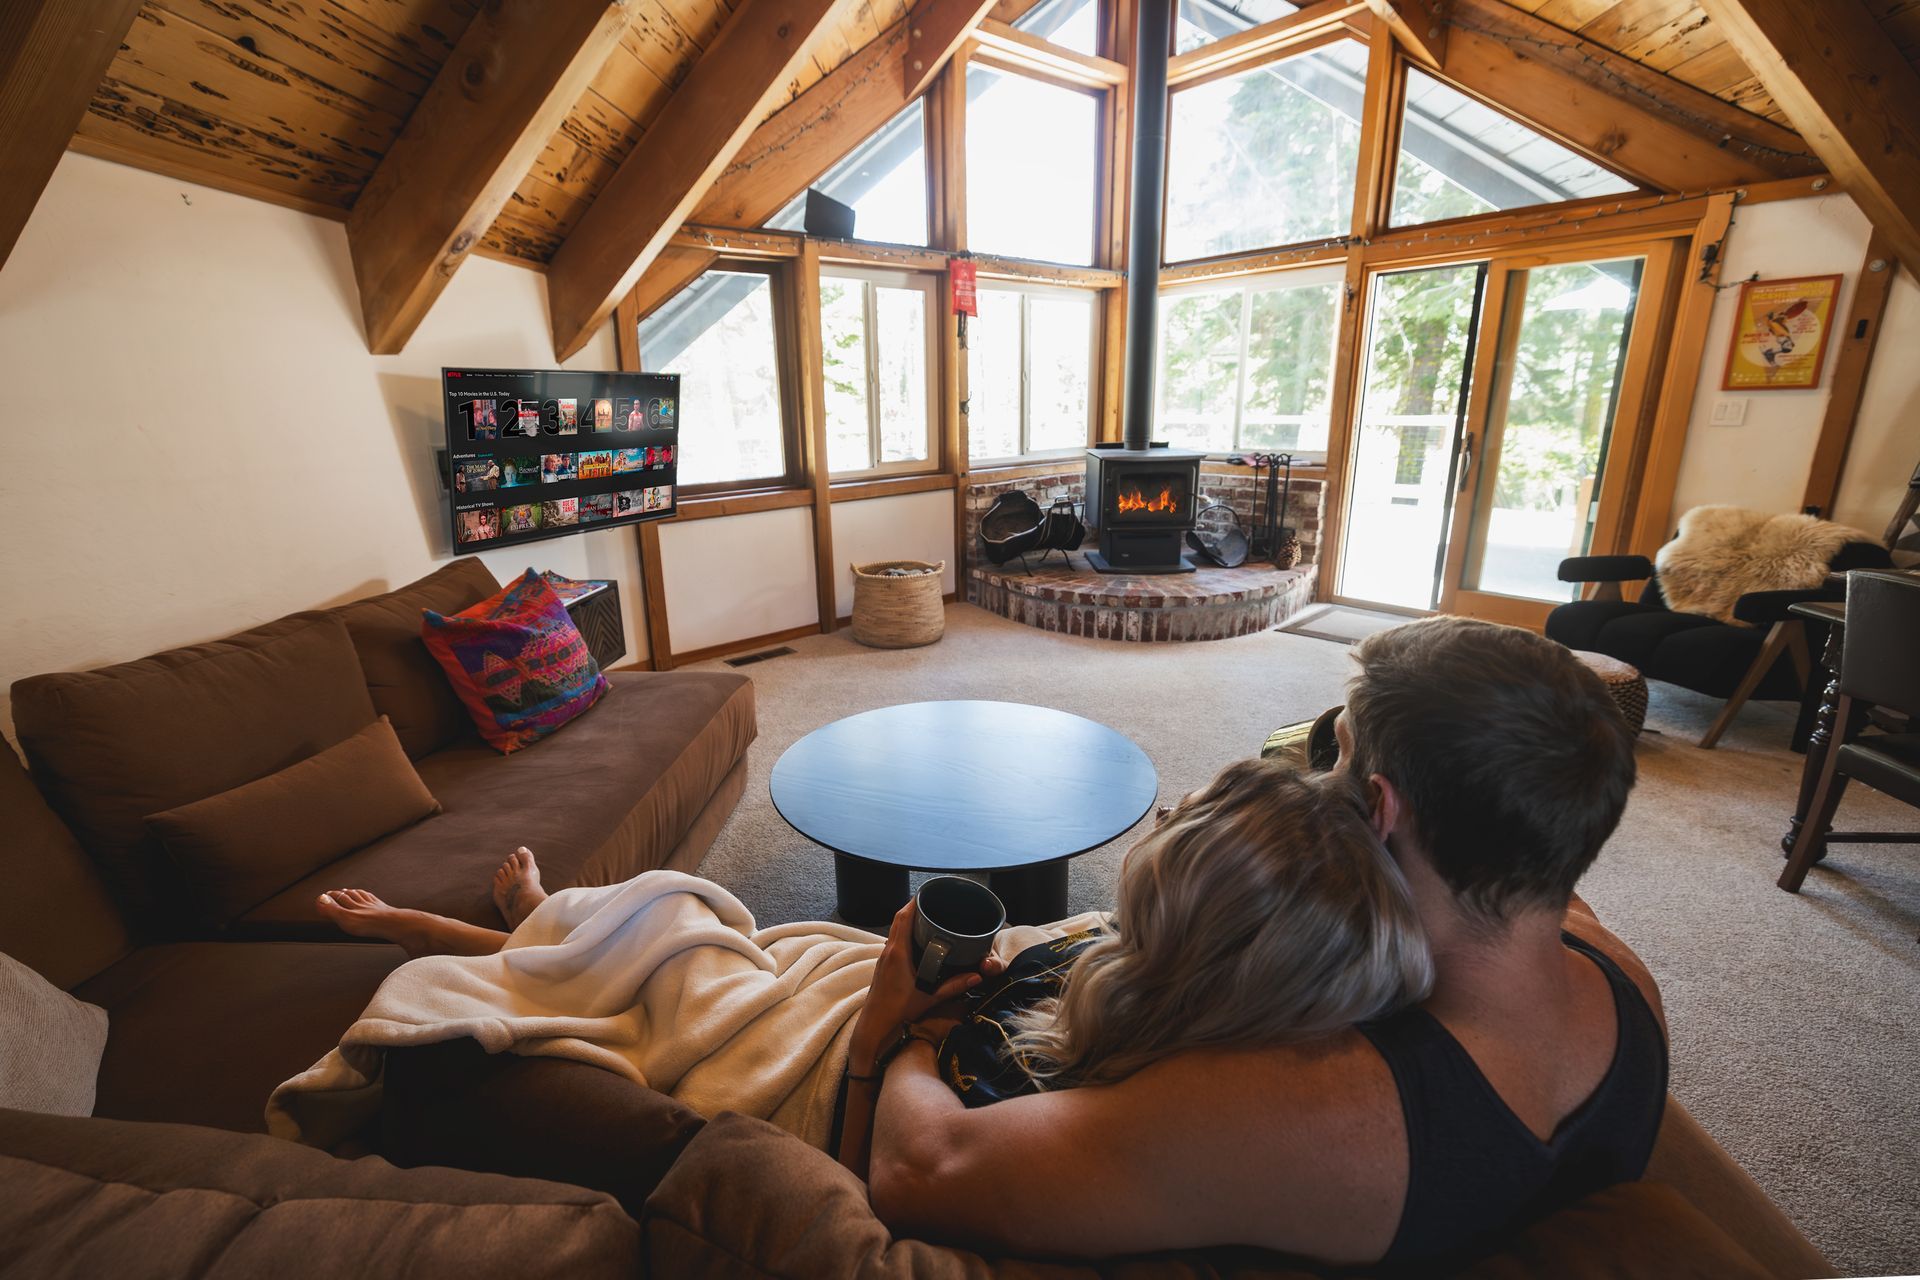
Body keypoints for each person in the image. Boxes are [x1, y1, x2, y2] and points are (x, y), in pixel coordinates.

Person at [318, 616, 1659, 1266]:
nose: (1307, 771)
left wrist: (905, 1017)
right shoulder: (1614, 978)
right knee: (715, 928)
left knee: (694, 944)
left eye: (1330, 754)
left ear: (1374, 809)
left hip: (903, 1069)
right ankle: (570, 923)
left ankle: (528, 939)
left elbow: (921, 1163)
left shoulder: (1321, 1114)